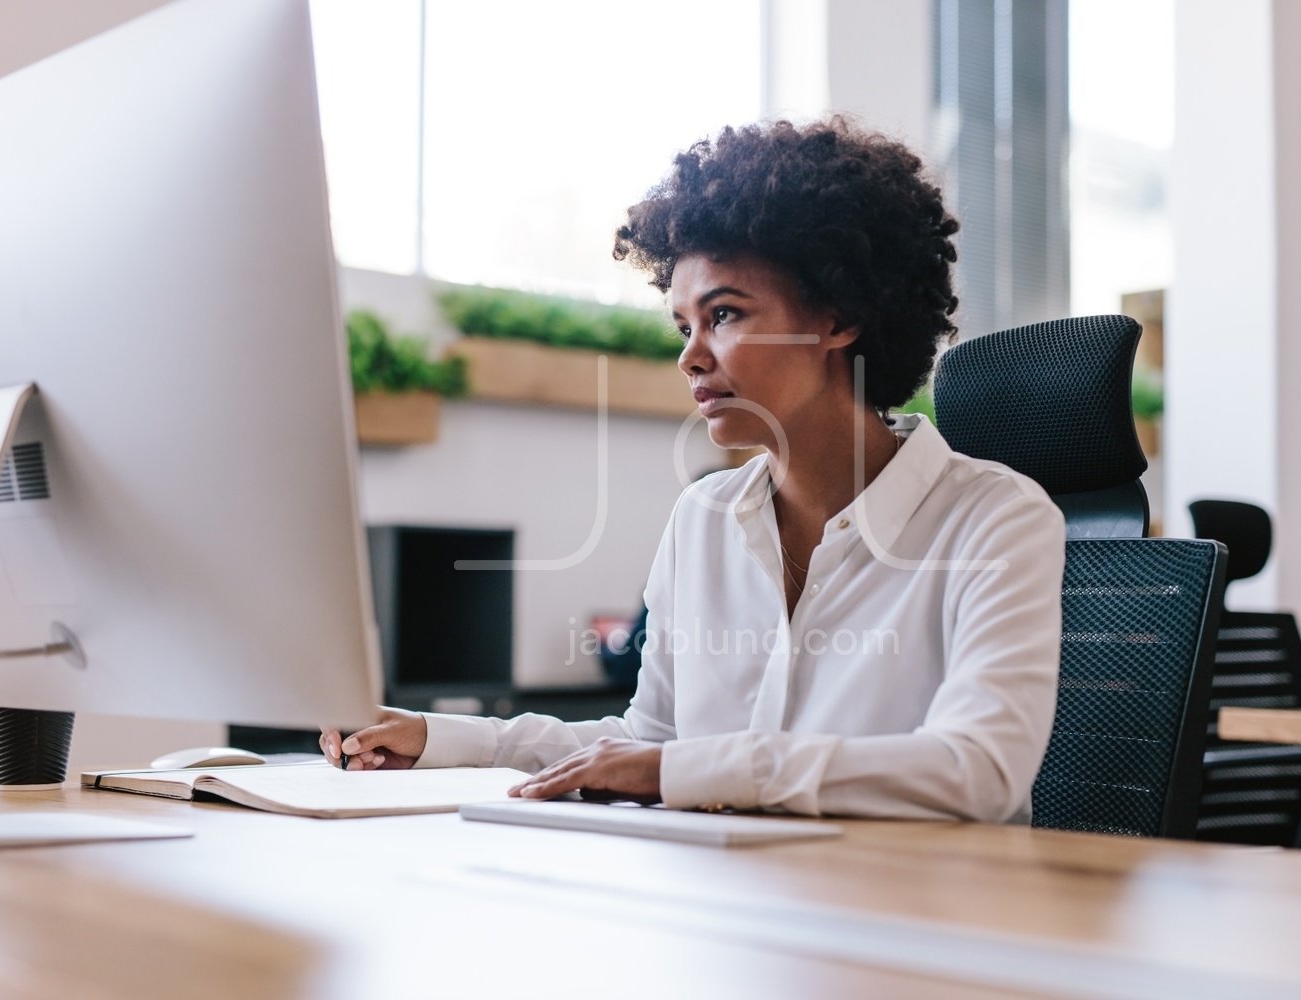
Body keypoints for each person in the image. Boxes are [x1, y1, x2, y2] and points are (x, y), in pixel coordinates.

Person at [322, 118, 1065, 821]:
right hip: (739, 908)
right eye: (684, 325)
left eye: (726, 315)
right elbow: (650, 743)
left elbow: (978, 771)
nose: (691, 356)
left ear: (840, 318)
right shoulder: (704, 517)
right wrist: (444, 741)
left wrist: (695, 770)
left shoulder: (996, 518)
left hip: (928, 921)